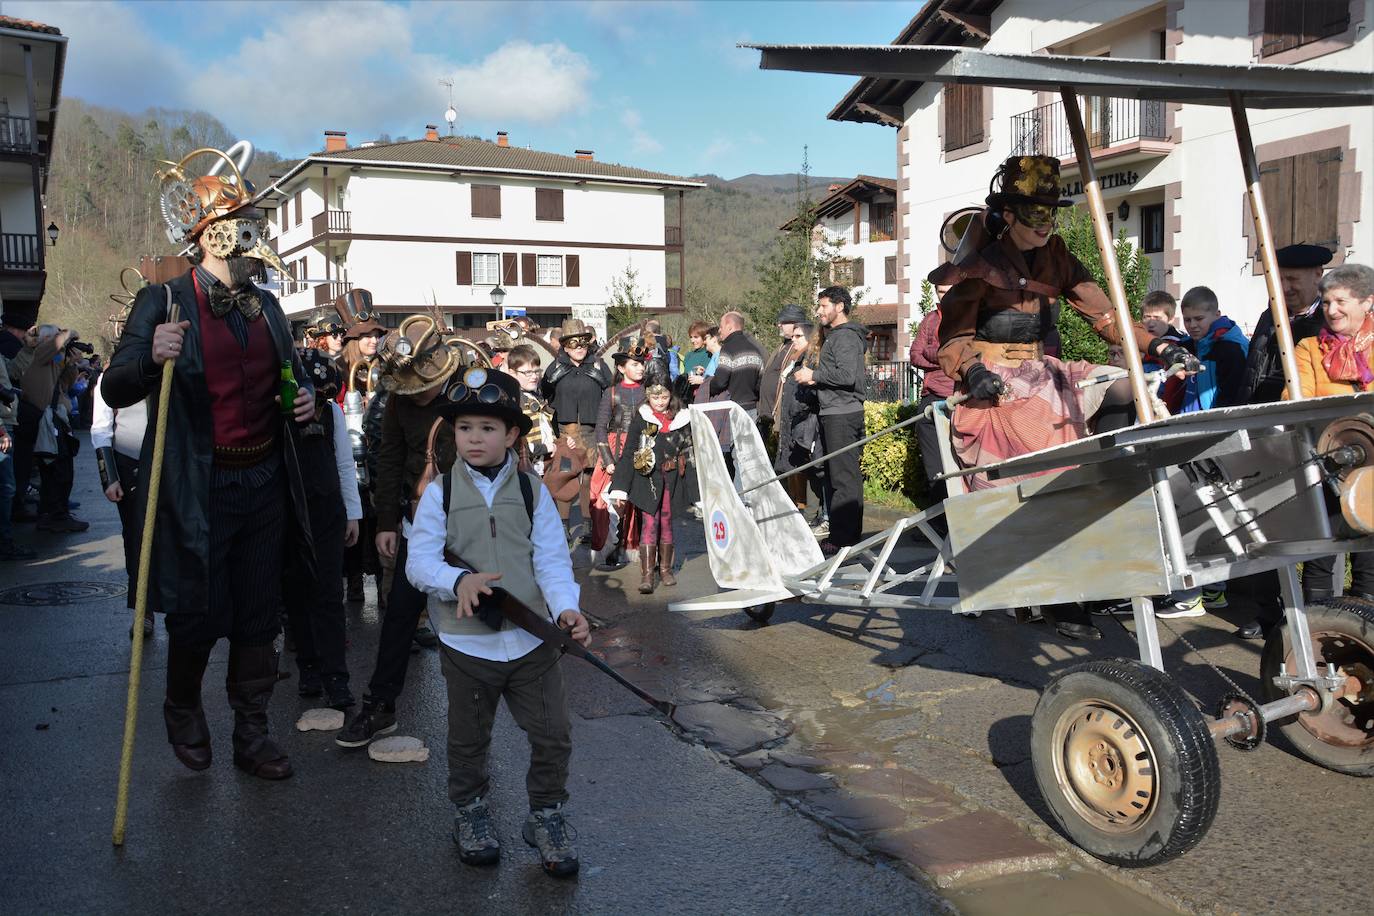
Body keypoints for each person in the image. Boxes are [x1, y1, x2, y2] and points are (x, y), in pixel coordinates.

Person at [101, 149, 311, 780]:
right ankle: (182, 705)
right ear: (208, 234)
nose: (252, 237)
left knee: (257, 610)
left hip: (266, 478)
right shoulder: (162, 299)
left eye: (253, 224)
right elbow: (115, 387)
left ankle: (252, 732)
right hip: (198, 481)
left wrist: (305, 401)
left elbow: (293, 379)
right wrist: (149, 357)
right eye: (241, 224)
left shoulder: (268, 306)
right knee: (196, 608)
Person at [932, 155, 1197, 639]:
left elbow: (1106, 317)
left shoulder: (1057, 256)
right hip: (993, 383)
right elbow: (951, 339)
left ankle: (1110, 484)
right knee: (1047, 451)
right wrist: (972, 372)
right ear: (1007, 215)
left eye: (1051, 212)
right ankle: (1055, 592)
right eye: (1035, 212)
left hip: (1045, 374)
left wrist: (1158, 345)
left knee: (1122, 387)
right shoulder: (978, 265)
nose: (1045, 223)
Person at [405, 366, 590, 878]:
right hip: (466, 644)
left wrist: (566, 609)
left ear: (511, 434)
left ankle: (547, 816)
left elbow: (551, 561)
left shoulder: (532, 492)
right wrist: (455, 581)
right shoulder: (440, 493)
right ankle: (471, 814)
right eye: (465, 428)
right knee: (468, 741)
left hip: (532, 641)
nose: (474, 439)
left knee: (554, 734)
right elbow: (418, 562)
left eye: (487, 428)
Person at [337, 319, 463, 748]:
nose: (413, 393)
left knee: (478, 617)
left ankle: (476, 718)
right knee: (399, 615)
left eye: (419, 385)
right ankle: (381, 704)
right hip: (418, 518)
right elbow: (388, 458)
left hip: (473, 522)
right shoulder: (398, 399)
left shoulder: (474, 388)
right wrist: (386, 523)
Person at [1286, 262, 1374, 601]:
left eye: (1340, 301)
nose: (1331, 310)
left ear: (1367, 302)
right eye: (1325, 302)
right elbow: (1294, 401)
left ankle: (1362, 633)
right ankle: (1317, 629)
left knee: (1369, 555)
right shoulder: (1308, 348)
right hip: (1327, 462)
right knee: (1322, 551)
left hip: (1371, 465)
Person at [283, 348, 363, 709]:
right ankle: (309, 669)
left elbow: (345, 464)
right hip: (289, 511)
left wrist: (352, 513)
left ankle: (337, 678)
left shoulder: (331, 412)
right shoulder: (279, 412)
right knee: (296, 595)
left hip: (328, 509)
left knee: (330, 596)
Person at [795, 287, 867, 556]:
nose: (819, 311)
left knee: (844, 478)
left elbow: (847, 376)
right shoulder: (836, 336)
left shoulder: (845, 337)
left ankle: (845, 540)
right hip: (833, 411)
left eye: (824, 306)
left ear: (840, 306)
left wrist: (814, 374)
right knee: (837, 476)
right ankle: (842, 536)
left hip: (842, 414)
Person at [606, 381, 691, 593]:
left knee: (667, 521)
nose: (660, 402)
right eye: (655, 398)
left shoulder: (682, 419)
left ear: (671, 396)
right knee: (649, 523)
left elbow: (691, 452)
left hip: (672, 479)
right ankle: (647, 574)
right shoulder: (641, 419)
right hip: (648, 480)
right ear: (648, 397)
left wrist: (697, 488)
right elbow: (628, 454)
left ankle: (665, 570)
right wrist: (620, 488)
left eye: (664, 397)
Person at [90, 379, 149, 632]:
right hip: (130, 464)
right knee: (136, 538)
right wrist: (109, 477)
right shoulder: (111, 376)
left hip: (172, 462)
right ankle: (142, 610)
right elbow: (101, 427)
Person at [541, 318, 609, 535]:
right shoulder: (556, 366)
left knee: (587, 478)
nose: (579, 348)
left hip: (591, 430)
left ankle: (588, 526)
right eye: (573, 343)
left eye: (583, 343)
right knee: (565, 476)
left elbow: (610, 393)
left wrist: (601, 379)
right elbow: (545, 397)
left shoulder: (598, 364)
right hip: (565, 431)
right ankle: (563, 526)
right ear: (564, 345)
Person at [1240, 243, 1331, 404]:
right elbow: (1251, 372)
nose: (1284, 287)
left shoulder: (1330, 321)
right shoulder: (1268, 317)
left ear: (1318, 275)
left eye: (1292, 279)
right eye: (1279, 279)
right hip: (1258, 418)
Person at [592, 339, 650, 570]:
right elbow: (600, 428)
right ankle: (607, 547)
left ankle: (630, 546)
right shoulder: (611, 393)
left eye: (641, 364)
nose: (640, 368)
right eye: (634, 364)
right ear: (621, 367)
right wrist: (607, 461)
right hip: (614, 450)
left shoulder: (649, 392)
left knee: (635, 503)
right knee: (604, 501)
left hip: (640, 449)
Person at [908, 289, 955, 539]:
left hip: (958, 396)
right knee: (934, 465)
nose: (943, 295)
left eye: (948, 290)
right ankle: (940, 522)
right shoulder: (930, 318)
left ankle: (959, 519)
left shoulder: (969, 315)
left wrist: (932, 352)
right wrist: (942, 357)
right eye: (939, 291)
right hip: (931, 397)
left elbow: (966, 354)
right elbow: (915, 354)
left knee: (960, 461)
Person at [775, 321, 825, 521]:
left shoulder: (811, 360)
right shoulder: (796, 360)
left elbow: (809, 394)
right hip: (794, 422)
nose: (793, 340)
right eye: (793, 336)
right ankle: (802, 511)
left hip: (807, 422)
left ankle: (812, 514)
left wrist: (796, 409)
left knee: (811, 469)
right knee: (795, 467)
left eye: (798, 337)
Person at [1179, 286, 1249, 414]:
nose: (1192, 325)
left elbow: (1232, 397)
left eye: (1199, 319)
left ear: (1217, 315)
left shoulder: (1232, 348)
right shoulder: (1189, 345)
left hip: (1213, 422)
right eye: (1187, 320)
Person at [0, 352, 35, 560]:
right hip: (3, 426)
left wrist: (28, 350)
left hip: (7, 421)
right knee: (5, 488)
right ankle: (4, 542)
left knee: (6, 488)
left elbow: (13, 371)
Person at [759, 303, 808, 445]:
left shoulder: (798, 349)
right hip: (767, 415)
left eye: (784, 322)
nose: (779, 325)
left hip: (781, 417)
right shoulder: (782, 346)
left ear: (796, 324)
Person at [504, 344, 556, 476]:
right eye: (527, 372)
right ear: (512, 373)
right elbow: (517, 444)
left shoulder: (535, 395)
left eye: (537, 371)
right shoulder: (514, 402)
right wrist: (546, 447)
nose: (534, 376)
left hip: (544, 463)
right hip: (526, 466)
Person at [709, 311, 766, 418]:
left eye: (721, 327)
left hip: (732, 409)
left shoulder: (728, 348)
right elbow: (760, 383)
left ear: (730, 327)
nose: (719, 330)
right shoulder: (756, 349)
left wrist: (708, 387)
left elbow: (720, 382)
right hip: (752, 409)